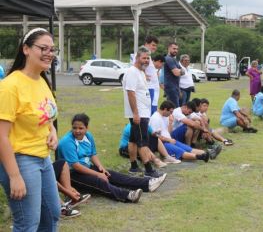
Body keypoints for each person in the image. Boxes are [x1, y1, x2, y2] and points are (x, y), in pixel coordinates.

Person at [0, 28, 61, 231]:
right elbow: (1, 136)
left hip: (43, 158)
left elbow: (46, 118)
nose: (49, 53)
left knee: (52, 214)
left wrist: (52, 133)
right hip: (21, 160)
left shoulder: (42, 81)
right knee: (27, 223)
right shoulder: (10, 86)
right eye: (43, 48)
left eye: (52, 49)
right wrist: (15, 176)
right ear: (26, 49)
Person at [58, 113, 167, 203]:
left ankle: (147, 184)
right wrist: (98, 174)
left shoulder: (88, 136)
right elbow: (76, 166)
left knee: (112, 175)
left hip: (86, 167)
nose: (77, 131)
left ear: (87, 128)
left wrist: (101, 168)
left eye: (81, 128)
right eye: (74, 128)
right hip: (71, 175)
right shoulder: (67, 142)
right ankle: (128, 195)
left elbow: (92, 154)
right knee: (99, 181)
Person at [123, 46, 164, 178]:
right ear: (137, 58)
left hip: (143, 112)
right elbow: (130, 93)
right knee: (142, 141)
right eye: (144, 58)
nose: (146, 60)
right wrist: (136, 113)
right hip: (139, 114)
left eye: (148, 58)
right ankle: (148, 170)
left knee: (134, 140)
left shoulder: (140, 72)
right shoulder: (132, 72)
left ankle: (134, 167)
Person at [149, 100, 214, 161]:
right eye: (170, 112)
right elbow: (156, 137)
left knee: (189, 149)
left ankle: (209, 153)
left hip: (169, 140)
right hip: (163, 143)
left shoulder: (165, 116)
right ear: (165, 109)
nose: (171, 114)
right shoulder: (156, 118)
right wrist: (168, 140)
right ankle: (201, 157)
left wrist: (170, 123)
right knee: (181, 152)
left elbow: (168, 132)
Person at [164, 42, 184, 108]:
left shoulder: (174, 59)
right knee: (174, 109)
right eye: (174, 48)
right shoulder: (168, 59)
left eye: (177, 49)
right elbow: (177, 73)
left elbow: (183, 71)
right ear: (169, 48)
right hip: (171, 88)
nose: (176, 50)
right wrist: (181, 71)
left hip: (175, 87)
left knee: (173, 108)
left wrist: (180, 71)